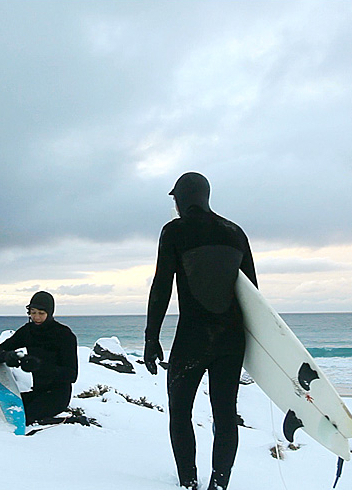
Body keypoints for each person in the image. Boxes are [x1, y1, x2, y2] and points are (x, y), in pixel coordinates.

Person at [144, 172, 257, 490]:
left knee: (180, 411)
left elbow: (162, 286)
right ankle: (219, 484)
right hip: (232, 339)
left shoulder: (174, 231)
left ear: (181, 198)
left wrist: (151, 338)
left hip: (193, 337)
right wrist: (255, 348)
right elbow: (253, 296)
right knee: (225, 413)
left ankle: (188, 482)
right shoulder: (236, 233)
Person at [0, 291, 78, 425]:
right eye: (33, 312)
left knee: (21, 418)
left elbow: (71, 375)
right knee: (4, 407)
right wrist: (8, 356)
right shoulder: (28, 331)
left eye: (41, 313)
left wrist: (39, 366)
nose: (36, 317)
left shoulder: (64, 335)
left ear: (49, 313)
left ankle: (67, 420)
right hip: (38, 391)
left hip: (58, 396)